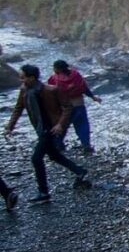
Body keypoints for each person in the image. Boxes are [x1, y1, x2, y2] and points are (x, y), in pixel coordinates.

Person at [4, 64, 91, 202]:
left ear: (32, 78)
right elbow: (18, 108)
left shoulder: (50, 90)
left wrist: (60, 124)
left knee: (36, 158)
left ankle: (43, 192)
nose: (21, 80)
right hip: (40, 128)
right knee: (54, 155)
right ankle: (80, 171)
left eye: (23, 78)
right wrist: (10, 127)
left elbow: (68, 107)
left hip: (50, 129)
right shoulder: (24, 90)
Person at [48, 59, 101, 155]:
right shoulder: (76, 75)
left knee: (61, 127)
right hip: (79, 105)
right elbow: (84, 87)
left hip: (64, 109)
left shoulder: (54, 78)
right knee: (82, 126)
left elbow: (51, 94)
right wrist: (93, 97)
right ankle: (86, 145)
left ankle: (59, 146)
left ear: (57, 69)